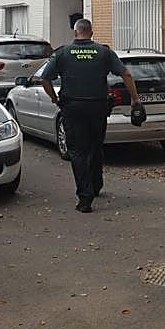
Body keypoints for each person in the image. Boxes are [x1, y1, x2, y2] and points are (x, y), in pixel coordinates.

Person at [41, 18, 141, 213]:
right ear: (92, 33)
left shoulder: (63, 53)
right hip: (98, 107)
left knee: (78, 151)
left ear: (75, 32)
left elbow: (45, 78)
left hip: (73, 107)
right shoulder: (104, 52)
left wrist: (55, 99)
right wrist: (135, 99)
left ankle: (85, 198)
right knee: (95, 146)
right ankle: (96, 185)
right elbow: (126, 74)